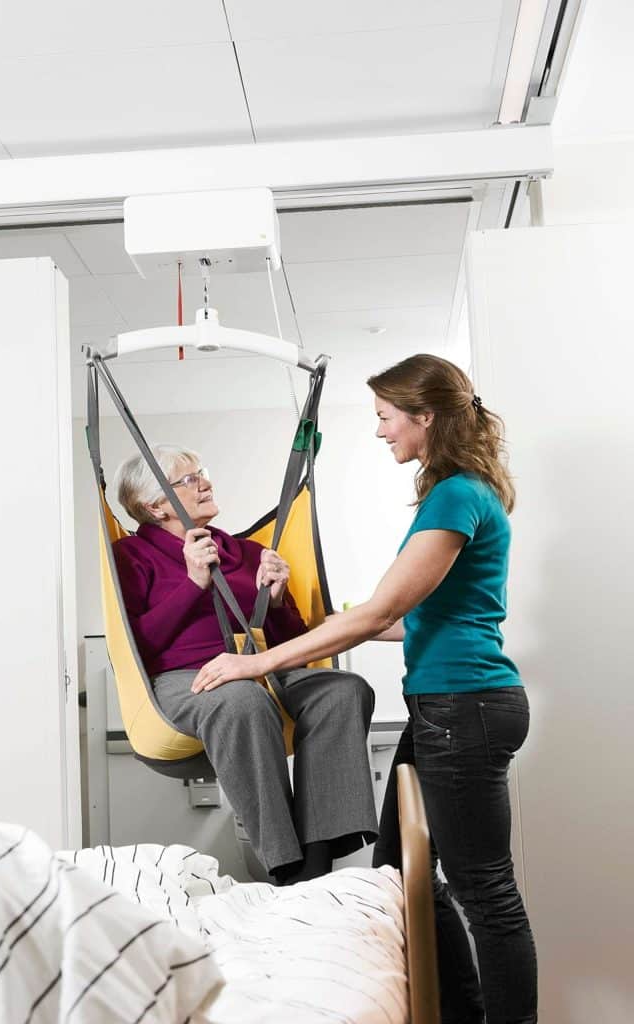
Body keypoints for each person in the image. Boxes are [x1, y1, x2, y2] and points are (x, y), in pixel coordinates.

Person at [193, 355, 537, 1024]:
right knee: (400, 873)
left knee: (485, 892)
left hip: (463, 710)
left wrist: (254, 664)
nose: (380, 431)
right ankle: (457, 1012)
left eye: (385, 417)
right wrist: (320, 624)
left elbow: (381, 614)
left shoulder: (457, 493)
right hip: (447, 707)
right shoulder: (459, 492)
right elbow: (412, 619)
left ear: (424, 416)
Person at [111, 444, 379, 885]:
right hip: (186, 680)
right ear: (155, 505)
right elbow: (140, 645)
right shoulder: (132, 557)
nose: (206, 483)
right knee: (242, 700)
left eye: (203, 471)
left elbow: (296, 643)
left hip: (262, 669)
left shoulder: (249, 551)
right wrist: (193, 584)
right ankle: (287, 866)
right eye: (189, 479)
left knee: (343, 689)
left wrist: (274, 602)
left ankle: (317, 856)